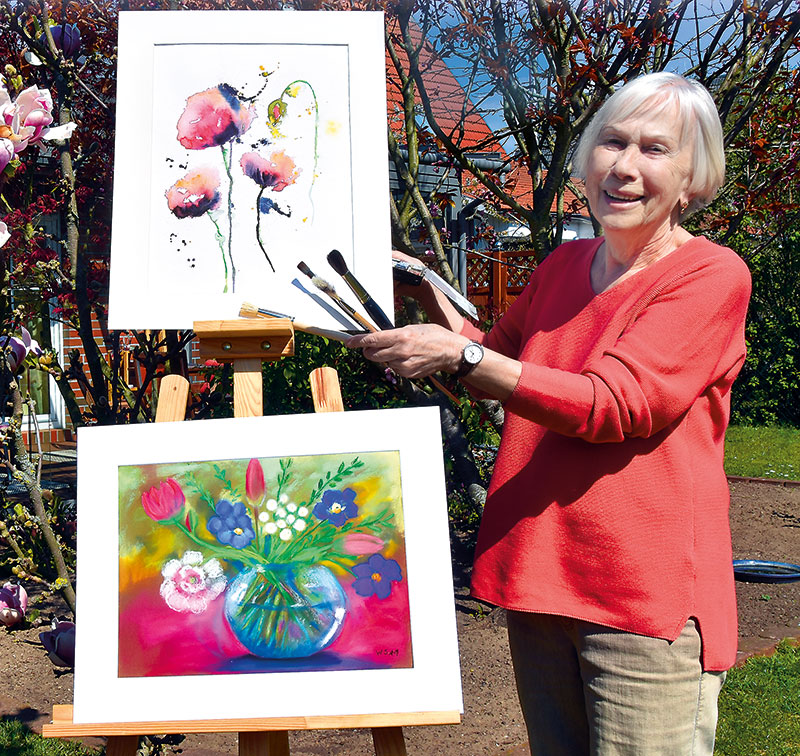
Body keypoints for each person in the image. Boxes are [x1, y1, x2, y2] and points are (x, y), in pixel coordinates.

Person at [347, 72, 752, 755]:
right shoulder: (565, 264)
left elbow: (613, 404)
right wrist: (421, 293)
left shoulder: (710, 276)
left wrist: (466, 359)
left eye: (654, 149)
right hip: (543, 576)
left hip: (641, 599)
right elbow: (492, 369)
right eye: (612, 142)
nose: (624, 166)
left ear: (694, 179)